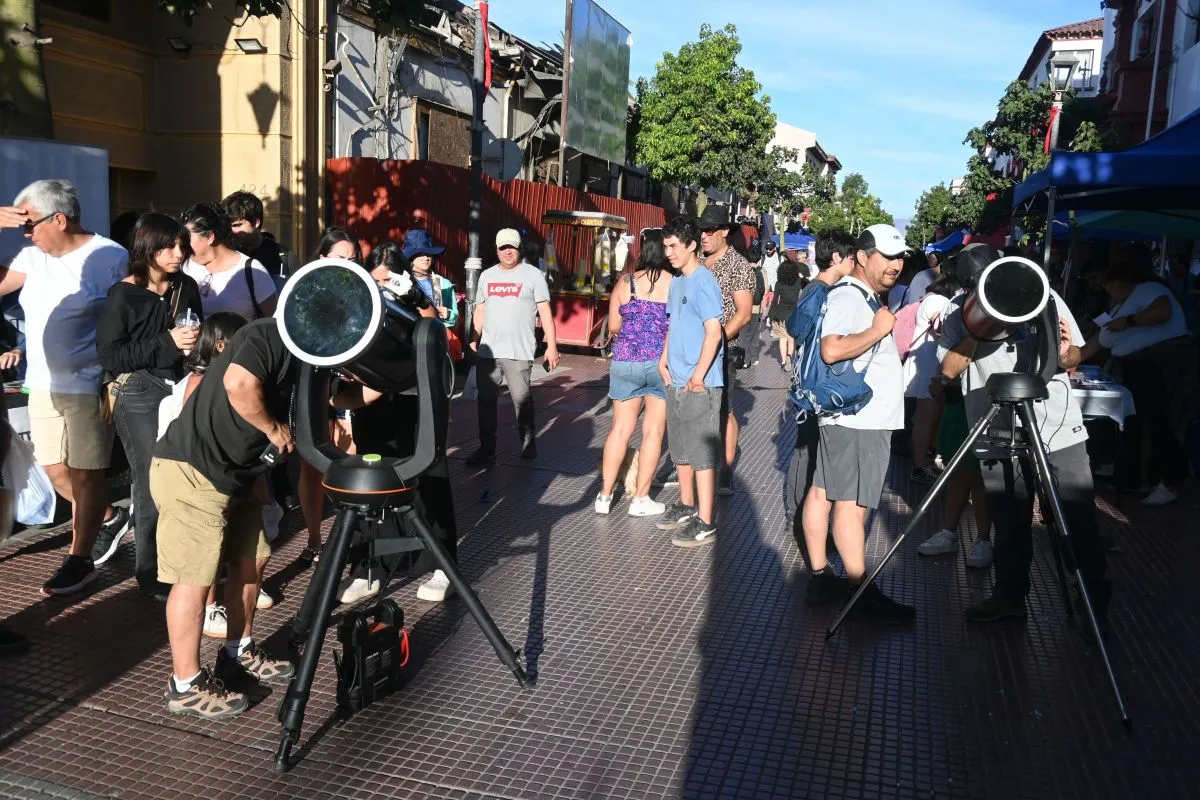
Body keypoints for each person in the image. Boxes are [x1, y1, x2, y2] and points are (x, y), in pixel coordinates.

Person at [935, 245, 1110, 626]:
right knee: (1010, 520)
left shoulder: (1040, 292)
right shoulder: (957, 311)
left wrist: (1064, 354)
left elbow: (1074, 356)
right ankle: (1009, 597)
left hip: (1056, 427)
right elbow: (948, 370)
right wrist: (977, 330)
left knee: (1077, 517)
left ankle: (1093, 604)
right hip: (996, 425)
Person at [152, 316, 296, 720]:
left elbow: (341, 401)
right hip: (190, 471)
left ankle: (238, 649)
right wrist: (272, 429)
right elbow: (238, 384)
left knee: (253, 559)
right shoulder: (265, 333)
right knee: (194, 579)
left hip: (236, 477)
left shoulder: (312, 358)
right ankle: (185, 685)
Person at [0, 179, 132, 596]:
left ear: (59, 219)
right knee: (55, 469)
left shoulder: (109, 256)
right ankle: (110, 517)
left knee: (86, 475)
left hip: (87, 383)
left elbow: (131, 314)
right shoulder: (30, 256)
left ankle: (80, 559)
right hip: (41, 385)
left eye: (30, 224)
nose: (26, 233)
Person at [800, 224, 914, 622]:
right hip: (859, 420)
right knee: (852, 506)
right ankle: (859, 589)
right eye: (887, 256)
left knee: (823, 491)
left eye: (900, 257)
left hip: (848, 417)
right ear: (863, 256)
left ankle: (821, 575)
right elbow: (832, 350)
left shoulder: (855, 294)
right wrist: (878, 329)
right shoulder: (852, 297)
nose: (896, 265)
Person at [334, 241, 457, 604]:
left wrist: (416, 298)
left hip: (417, 398)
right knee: (372, 483)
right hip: (372, 399)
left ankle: (441, 565)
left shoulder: (414, 302)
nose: (383, 289)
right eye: (377, 283)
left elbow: (435, 330)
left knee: (431, 481)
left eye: (390, 282)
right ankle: (370, 566)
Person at [97, 213, 204, 600]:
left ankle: (183, 558)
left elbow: (196, 333)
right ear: (147, 249)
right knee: (149, 479)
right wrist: (169, 342)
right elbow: (111, 356)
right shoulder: (123, 295)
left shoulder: (185, 287)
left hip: (180, 386)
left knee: (184, 473)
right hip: (138, 390)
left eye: (181, 246)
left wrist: (196, 348)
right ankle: (150, 570)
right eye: (168, 247)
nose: (178, 254)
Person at [1080, 260, 1197, 506]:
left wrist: (1129, 322)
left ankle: (1167, 482)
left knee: (1166, 424)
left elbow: (1162, 312)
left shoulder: (1150, 290)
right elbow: (1097, 342)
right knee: (1143, 426)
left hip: (1166, 367)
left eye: (1108, 284)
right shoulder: (1122, 303)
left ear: (1122, 281)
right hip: (1142, 370)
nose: (1106, 290)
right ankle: (1140, 479)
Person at [786, 230, 856, 572]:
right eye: (851, 256)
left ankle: (801, 517)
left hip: (814, 383)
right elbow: (796, 325)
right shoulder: (820, 290)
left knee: (811, 449)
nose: (855, 262)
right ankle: (797, 517)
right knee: (808, 449)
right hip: (813, 385)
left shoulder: (823, 289)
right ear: (837, 258)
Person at [654, 215, 724, 547]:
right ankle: (685, 504)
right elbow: (674, 323)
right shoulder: (678, 281)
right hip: (677, 378)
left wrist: (698, 374)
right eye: (665, 246)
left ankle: (706, 520)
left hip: (701, 382)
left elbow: (714, 332)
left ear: (691, 245)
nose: (668, 252)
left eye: (674, 246)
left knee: (702, 455)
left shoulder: (703, 281)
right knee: (680, 449)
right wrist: (664, 358)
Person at [466, 229, 560, 465]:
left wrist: (552, 346)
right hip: (489, 350)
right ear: (496, 249)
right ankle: (487, 448)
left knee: (521, 398)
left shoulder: (534, 275)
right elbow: (481, 308)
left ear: (520, 248)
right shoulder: (487, 276)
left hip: (519, 350)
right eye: (502, 247)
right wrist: (473, 336)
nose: (507, 251)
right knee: (485, 401)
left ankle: (527, 438)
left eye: (512, 247)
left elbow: (545, 312)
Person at [596, 229, 672, 516]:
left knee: (620, 430)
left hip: (626, 362)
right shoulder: (674, 284)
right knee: (653, 431)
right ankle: (640, 499)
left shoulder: (626, 283)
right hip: (661, 364)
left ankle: (604, 496)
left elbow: (614, 326)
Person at [698, 205, 754, 495]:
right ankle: (693, 463)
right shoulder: (696, 261)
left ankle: (726, 471)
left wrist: (716, 341)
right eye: (701, 230)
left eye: (709, 230)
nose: (704, 235)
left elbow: (743, 314)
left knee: (723, 411)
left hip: (721, 351)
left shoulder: (738, 266)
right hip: (691, 351)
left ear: (724, 231)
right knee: (694, 409)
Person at [182, 202, 278, 320]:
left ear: (209, 237)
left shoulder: (252, 270)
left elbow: (273, 322)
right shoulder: (183, 266)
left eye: (187, 238)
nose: (182, 245)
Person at [905, 273, 958, 484]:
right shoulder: (939, 301)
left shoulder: (930, 298)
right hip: (926, 367)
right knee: (926, 417)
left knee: (930, 415)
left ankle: (925, 460)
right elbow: (940, 327)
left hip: (927, 365)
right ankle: (919, 466)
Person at [221, 191, 300, 285]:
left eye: (237, 225)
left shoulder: (285, 258)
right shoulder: (223, 255)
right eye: (228, 226)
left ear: (256, 222)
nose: (232, 231)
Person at [402, 228, 459, 327]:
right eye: (420, 254)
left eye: (428, 253)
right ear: (411, 257)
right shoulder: (401, 281)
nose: (426, 258)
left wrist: (448, 314)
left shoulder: (443, 284)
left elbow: (454, 318)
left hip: (433, 336)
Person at [768, 260, 804, 372]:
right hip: (794, 313)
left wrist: (770, 315)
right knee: (791, 338)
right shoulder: (799, 282)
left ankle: (783, 361)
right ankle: (790, 355)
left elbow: (775, 301)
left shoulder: (779, 283)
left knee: (782, 338)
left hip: (781, 314)